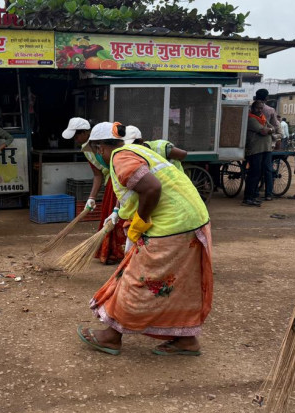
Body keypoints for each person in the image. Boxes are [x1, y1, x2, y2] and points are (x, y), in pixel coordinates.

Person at [76, 122, 213, 356]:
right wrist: (120, 213)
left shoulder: (119, 157)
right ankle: (186, 340)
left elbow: (151, 188)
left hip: (172, 225)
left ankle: (111, 336)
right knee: (179, 283)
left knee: (135, 279)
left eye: (95, 150)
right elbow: (137, 189)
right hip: (193, 221)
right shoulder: (139, 150)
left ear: (100, 148)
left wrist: (140, 222)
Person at [62, 117, 126, 265]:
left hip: (119, 179)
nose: (76, 139)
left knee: (120, 217)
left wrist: (117, 207)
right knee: (109, 217)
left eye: (77, 135)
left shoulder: (111, 146)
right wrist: (91, 198)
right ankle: (110, 252)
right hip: (111, 181)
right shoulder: (87, 151)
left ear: (85, 132)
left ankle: (121, 253)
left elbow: (119, 171)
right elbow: (98, 174)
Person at [243, 100, 274, 206]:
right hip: (255, 150)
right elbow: (263, 131)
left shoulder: (262, 118)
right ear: (252, 108)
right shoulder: (251, 119)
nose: (260, 110)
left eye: (261, 108)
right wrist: (269, 130)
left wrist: (269, 129)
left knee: (259, 174)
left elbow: (272, 128)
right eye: (257, 108)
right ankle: (248, 198)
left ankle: (253, 196)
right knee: (254, 174)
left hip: (264, 149)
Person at [255, 89, 279, 198]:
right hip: (267, 143)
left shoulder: (251, 108)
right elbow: (275, 126)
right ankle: (268, 193)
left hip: (253, 143)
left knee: (255, 169)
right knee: (268, 169)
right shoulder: (270, 110)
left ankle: (254, 191)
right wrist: (274, 132)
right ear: (266, 98)